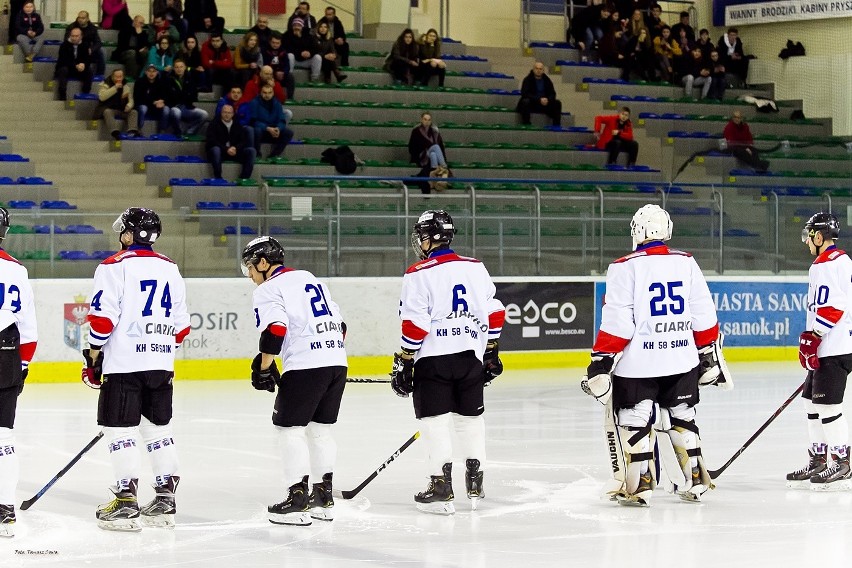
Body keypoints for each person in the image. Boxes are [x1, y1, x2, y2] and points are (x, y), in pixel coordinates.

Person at [582, 204, 731, 507]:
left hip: (640, 363)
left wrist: (601, 360)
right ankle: (695, 479)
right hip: (682, 359)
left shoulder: (625, 265)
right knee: (683, 417)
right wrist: (706, 353)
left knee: (635, 419)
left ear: (637, 231)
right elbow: (704, 314)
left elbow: (619, 321)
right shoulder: (686, 262)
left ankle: (641, 485)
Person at [82, 208, 190, 531]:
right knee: (158, 430)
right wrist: (156, 348)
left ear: (129, 234)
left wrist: (93, 358)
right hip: (161, 363)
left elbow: (102, 321)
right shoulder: (171, 268)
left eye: (123, 232)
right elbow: (182, 328)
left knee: (120, 429)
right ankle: (165, 499)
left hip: (124, 364)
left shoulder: (113, 266)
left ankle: (126, 501)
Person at [391, 210, 505, 515]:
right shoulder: (475, 267)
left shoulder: (418, 272)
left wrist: (404, 360)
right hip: (470, 358)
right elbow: (495, 312)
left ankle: (441, 487)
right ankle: (475, 482)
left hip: (434, 361)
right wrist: (491, 350)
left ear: (429, 237)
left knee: (435, 423)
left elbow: (414, 327)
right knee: (470, 421)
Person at [241, 236, 347, 525]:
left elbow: (275, 329)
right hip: (337, 362)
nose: (249, 275)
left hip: (305, 366)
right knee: (321, 431)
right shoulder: (311, 279)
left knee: (289, 430)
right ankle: (323, 498)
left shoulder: (268, 289)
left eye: (250, 267)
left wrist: (264, 367)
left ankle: (297, 498)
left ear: (264, 263)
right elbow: (341, 327)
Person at [786, 213, 852, 490]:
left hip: (834, 347)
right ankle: (819, 460)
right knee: (810, 402)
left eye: (810, 235)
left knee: (827, 405)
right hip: (830, 345)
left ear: (819, 236)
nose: (806, 241)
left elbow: (834, 306)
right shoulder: (834, 262)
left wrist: (814, 337)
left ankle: (843, 462)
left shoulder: (828, 264)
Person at [0, 207, 38, 538]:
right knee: (3, 437)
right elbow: (29, 328)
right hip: (6, 358)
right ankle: (5, 511)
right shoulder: (17, 270)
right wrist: (22, 366)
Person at [206, 104, 255, 180]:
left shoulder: (237, 124)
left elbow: (243, 141)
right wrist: (226, 149)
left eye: (229, 113)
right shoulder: (214, 124)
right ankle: (218, 177)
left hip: (234, 151)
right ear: (221, 113)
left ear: (233, 114)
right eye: (224, 112)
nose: (226, 115)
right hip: (220, 152)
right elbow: (211, 141)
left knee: (251, 151)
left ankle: (244, 178)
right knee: (216, 150)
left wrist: (235, 148)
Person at [165, 59, 209, 135]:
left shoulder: (190, 78)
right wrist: (185, 95)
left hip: (187, 107)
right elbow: (169, 96)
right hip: (174, 107)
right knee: (176, 112)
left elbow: (194, 95)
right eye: (177, 67)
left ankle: (190, 131)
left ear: (185, 67)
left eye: (181, 67)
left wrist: (182, 96)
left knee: (204, 114)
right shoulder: (168, 79)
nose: (179, 69)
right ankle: (178, 132)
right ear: (174, 68)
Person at [250, 84, 294, 158]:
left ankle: (274, 155)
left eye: (269, 93)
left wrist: (278, 128)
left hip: (273, 131)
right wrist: (267, 128)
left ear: (273, 93)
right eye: (264, 92)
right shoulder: (254, 103)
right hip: (262, 131)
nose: (267, 95)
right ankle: (257, 154)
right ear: (260, 93)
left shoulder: (277, 103)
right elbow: (253, 121)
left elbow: (282, 120)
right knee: (256, 130)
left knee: (289, 133)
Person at [408, 112, 449, 192]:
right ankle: (444, 168)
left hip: (432, 155)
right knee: (435, 147)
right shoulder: (416, 131)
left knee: (433, 154)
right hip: (422, 155)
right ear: (421, 120)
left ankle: (434, 173)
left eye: (429, 120)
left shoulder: (435, 131)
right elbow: (412, 146)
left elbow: (441, 147)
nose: (427, 121)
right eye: (425, 119)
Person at [95, 68, 140, 139]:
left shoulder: (126, 86)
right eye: (117, 77)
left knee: (134, 112)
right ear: (112, 77)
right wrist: (114, 88)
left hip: (121, 109)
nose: (119, 79)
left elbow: (131, 100)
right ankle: (115, 132)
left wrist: (129, 106)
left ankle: (132, 131)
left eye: (120, 77)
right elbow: (102, 97)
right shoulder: (105, 84)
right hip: (109, 108)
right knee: (107, 111)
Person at [516, 61, 562, 127]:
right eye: (536, 68)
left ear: (543, 70)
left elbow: (553, 93)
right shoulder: (527, 80)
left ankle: (556, 126)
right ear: (533, 69)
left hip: (544, 104)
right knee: (525, 102)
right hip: (532, 103)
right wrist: (539, 99)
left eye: (540, 69)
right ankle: (526, 124)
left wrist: (547, 100)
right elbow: (525, 93)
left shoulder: (547, 80)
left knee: (557, 103)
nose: (538, 70)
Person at [54, 27, 93, 101]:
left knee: (89, 71)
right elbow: (63, 60)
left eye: (76, 36)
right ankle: (62, 96)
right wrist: (75, 65)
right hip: (68, 68)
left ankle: (85, 95)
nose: (74, 38)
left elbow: (88, 59)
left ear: (81, 36)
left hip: (79, 68)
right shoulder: (64, 45)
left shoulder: (85, 45)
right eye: (72, 36)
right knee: (63, 70)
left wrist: (83, 64)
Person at [134, 64, 171, 133]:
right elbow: (138, 97)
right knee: (143, 108)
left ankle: (162, 132)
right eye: (149, 71)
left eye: (153, 71)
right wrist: (153, 102)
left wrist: (162, 101)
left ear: (157, 72)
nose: (151, 73)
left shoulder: (161, 82)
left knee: (166, 109)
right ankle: (138, 130)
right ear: (145, 72)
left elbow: (166, 95)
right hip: (144, 105)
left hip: (156, 107)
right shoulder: (139, 81)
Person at [67, 11, 105, 76]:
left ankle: (100, 75)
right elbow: (67, 40)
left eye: (83, 18)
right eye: (79, 17)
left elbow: (98, 42)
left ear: (87, 19)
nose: (80, 19)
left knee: (101, 51)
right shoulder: (72, 27)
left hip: (88, 50)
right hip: (75, 49)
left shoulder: (92, 28)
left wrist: (92, 49)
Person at [283, 18, 321, 82]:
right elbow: (287, 49)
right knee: (290, 55)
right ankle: (289, 78)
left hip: (306, 60)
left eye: (299, 25)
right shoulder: (287, 35)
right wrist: (300, 53)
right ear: (292, 26)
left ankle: (315, 79)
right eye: (295, 25)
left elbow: (316, 48)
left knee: (318, 57)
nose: (296, 27)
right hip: (294, 60)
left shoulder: (308, 35)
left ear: (302, 27)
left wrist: (310, 53)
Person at [261, 32, 296, 101]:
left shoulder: (283, 52)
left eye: (277, 43)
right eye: (273, 42)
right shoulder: (264, 51)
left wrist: (283, 73)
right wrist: (274, 73)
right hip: (269, 75)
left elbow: (287, 65)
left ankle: (290, 98)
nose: (275, 45)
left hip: (281, 75)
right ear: (270, 42)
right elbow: (264, 66)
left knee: (290, 77)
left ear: (280, 43)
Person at [114, 14, 149, 79]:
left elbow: (145, 45)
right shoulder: (125, 30)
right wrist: (137, 50)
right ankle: (132, 78)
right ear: (134, 21)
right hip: (124, 53)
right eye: (140, 23)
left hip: (138, 53)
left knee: (146, 52)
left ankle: (143, 76)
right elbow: (123, 46)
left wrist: (139, 35)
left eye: (143, 24)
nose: (142, 25)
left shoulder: (143, 33)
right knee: (132, 53)